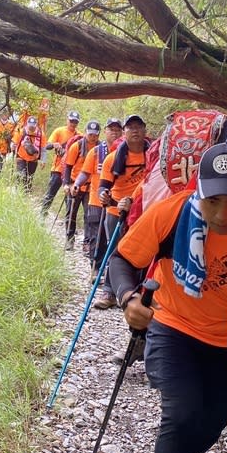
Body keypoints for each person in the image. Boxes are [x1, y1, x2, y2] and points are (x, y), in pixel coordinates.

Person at [107, 142, 227, 453]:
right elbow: (121, 260)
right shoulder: (171, 213)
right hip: (173, 327)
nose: (222, 215)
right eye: (212, 201)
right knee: (182, 415)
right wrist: (128, 298)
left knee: (215, 417)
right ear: (198, 191)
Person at [94, 114, 151, 309]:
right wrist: (104, 196)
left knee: (142, 251)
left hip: (144, 210)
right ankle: (109, 292)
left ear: (145, 130)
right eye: (130, 127)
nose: (134, 130)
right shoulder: (113, 158)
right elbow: (103, 186)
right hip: (116, 209)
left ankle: (136, 291)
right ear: (124, 132)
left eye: (138, 126)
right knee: (116, 250)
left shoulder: (153, 155)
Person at [74, 117, 124, 271]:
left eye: (117, 130)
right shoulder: (96, 152)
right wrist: (76, 184)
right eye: (111, 130)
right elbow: (85, 172)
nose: (114, 133)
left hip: (116, 202)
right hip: (96, 199)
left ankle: (110, 269)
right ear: (105, 131)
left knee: (114, 238)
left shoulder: (124, 151)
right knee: (97, 236)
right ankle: (95, 267)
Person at [62, 120, 101, 251]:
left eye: (95, 134)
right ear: (85, 133)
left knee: (89, 216)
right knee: (71, 213)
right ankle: (69, 239)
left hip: (91, 187)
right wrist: (66, 184)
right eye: (90, 134)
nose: (93, 137)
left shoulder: (100, 149)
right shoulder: (77, 146)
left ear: (99, 134)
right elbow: (68, 166)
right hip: (75, 185)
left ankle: (87, 243)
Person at [41, 110, 81, 216]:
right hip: (58, 169)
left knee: (69, 198)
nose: (73, 123)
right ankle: (42, 214)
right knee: (50, 193)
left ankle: (68, 223)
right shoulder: (59, 131)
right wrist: (55, 145)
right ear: (67, 119)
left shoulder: (79, 136)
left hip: (71, 172)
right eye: (71, 120)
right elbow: (47, 146)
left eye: (75, 122)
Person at [12, 116, 44, 194]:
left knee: (29, 177)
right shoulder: (21, 131)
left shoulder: (40, 134)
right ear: (27, 124)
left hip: (33, 159)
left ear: (36, 125)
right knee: (20, 174)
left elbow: (43, 148)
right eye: (30, 126)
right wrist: (12, 145)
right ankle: (15, 189)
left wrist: (43, 160)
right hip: (21, 157)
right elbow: (14, 141)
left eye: (33, 126)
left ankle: (26, 193)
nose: (31, 128)